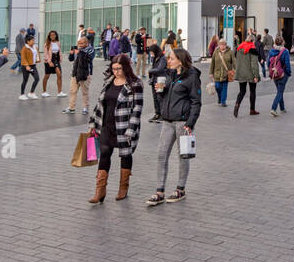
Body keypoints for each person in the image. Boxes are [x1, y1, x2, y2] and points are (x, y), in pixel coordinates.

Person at [145, 46, 201, 206]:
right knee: (161, 155)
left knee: (183, 156)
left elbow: (196, 102)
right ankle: (159, 191)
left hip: (183, 122)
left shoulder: (192, 76)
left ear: (180, 61)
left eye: (171, 58)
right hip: (168, 121)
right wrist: (160, 92)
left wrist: (190, 123)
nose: (168, 61)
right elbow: (166, 98)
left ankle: (180, 189)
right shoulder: (169, 75)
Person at [87, 53, 143, 202]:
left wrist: (131, 130)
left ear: (125, 67)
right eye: (113, 68)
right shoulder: (109, 81)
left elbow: (137, 109)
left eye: (119, 68)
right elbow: (100, 103)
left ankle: (123, 187)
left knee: (125, 155)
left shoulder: (135, 84)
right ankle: (100, 191)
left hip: (124, 126)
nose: (116, 72)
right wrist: (93, 123)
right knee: (104, 153)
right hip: (106, 124)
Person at [64, 33, 95, 115]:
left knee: (85, 92)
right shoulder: (78, 49)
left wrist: (80, 53)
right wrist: (71, 53)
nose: (80, 45)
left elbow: (88, 60)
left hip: (85, 74)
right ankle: (71, 108)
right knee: (72, 91)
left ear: (86, 43)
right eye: (79, 43)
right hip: (75, 73)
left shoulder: (90, 49)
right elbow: (71, 59)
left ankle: (85, 108)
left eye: (81, 43)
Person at [233, 34, 261, 116]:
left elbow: (236, 61)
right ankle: (252, 110)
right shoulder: (252, 49)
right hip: (250, 74)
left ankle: (237, 104)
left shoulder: (239, 48)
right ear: (252, 41)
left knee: (242, 91)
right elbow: (254, 64)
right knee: (252, 91)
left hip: (241, 73)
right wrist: (256, 76)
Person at [268, 34, 291, 114]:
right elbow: (287, 63)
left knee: (279, 91)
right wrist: (288, 73)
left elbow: (268, 63)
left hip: (274, 73)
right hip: (282, 74)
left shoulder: (271, 51)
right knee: (280, 92)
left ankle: (282, 108)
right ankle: (273, 108)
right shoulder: (285, 51)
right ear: (283, 42)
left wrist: (271, 71)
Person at [209, 37, 235, 107]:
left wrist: (236, 70)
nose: (222, 46)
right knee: (217, 87)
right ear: (219, 45)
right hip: (217, 73)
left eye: (223, 44)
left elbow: (234, 62)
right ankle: (219, 97)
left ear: (226, 45)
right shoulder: (216, 52)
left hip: (226, 74)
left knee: (224, 88)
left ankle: (223, 101)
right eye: (221, 44)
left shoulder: (230, 52)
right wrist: (211, 73)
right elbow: (213, 63)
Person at [42, 30, 63, 97]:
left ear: (56, 35)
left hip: (56, 60)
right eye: (51, 35)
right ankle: (44, 91)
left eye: (54, 35)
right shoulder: (47, 43)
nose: (52, 36)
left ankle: (59, 92)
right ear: (49, 36)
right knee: (47, 76)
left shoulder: (58, 42)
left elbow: (59, 51)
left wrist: (60, 58)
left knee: (59, 74)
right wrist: (49, 61)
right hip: (49, 60)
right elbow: (46, 54)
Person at [19, 34, 40, 99]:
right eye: (32, 40)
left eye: (34, 40)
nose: (33, 41)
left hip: (33, 66)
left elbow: (37, 54)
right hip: (26, 66)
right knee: (25, 80)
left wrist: (38, 59)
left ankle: (31, 93)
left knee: (37, 79)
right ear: (28, 41)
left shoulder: (35, 47)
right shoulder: (24, 48)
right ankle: (22, 94)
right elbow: (23, 58)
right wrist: (27, 66)